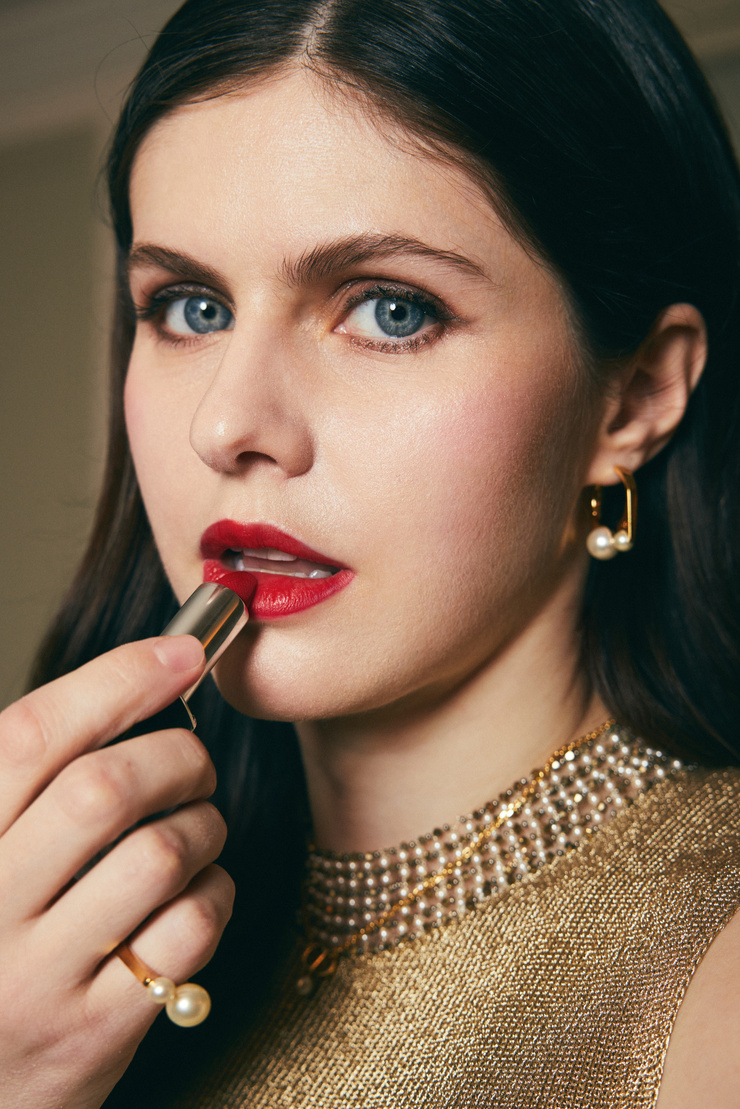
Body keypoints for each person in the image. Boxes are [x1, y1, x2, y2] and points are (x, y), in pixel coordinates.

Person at [2, 0, 740, 1105]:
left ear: (633, 396)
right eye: (191, 308)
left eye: (391, 310)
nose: (227, 424)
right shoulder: (81, 953)